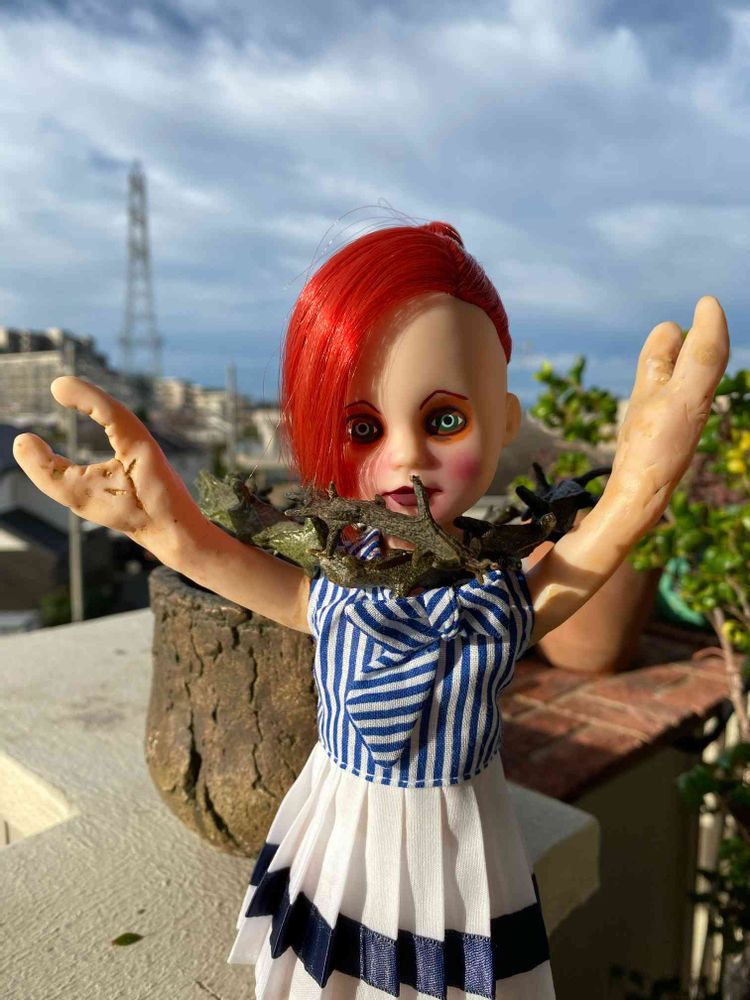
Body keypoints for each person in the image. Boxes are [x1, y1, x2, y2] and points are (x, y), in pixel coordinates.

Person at [13, 221, 729, 999]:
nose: (407, 456)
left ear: (505, 420)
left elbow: (584, 559)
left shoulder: (490, 599)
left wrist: (640, 482)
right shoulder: (343, 576)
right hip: (342, 823)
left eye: (445, 420)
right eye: (363, 428)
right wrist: (160, 527)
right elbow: (262, 582)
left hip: (458, 840)